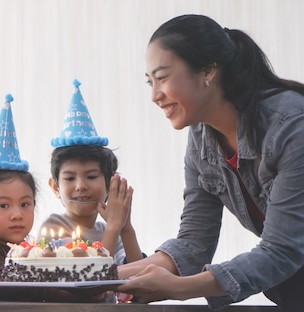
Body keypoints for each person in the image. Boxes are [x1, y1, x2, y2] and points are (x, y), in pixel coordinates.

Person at [117, 14, 304, 311]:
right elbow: (193, 244)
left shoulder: (291, 126)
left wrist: (180, 288)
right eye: (149, 82)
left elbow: (282, 251)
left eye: (162, 77)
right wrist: (102, 279)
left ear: (207, 70)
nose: (154, 96)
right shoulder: (201, 139)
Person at [0, 94, 108, 302]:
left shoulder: (27, 251)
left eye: (25, 204)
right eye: (3, 205)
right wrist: (53, 290)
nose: (17, 214)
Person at [42, 80, 143, 266]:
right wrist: (114, 227)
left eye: (91, 176)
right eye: (70, 178)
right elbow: (91, 273)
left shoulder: (108, 230)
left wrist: (125, 227)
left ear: (110, 183)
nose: (81, 186)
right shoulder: (54, 227)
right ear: (55, 187)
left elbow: (138, 274)